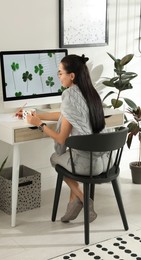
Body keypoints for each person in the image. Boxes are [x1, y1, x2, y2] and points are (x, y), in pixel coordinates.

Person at [17, 54, 107, 223]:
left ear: (71, 76)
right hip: (102, 162)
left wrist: (39, 124)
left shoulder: (69, 95)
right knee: (69, 157)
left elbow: (61, 139)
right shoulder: (91, 93)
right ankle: (72, 203)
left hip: (85, 164)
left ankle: (82, 198)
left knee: (55, 158)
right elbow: (66, 115)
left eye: (60, 73)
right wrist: (37, 114)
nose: (58, 77)